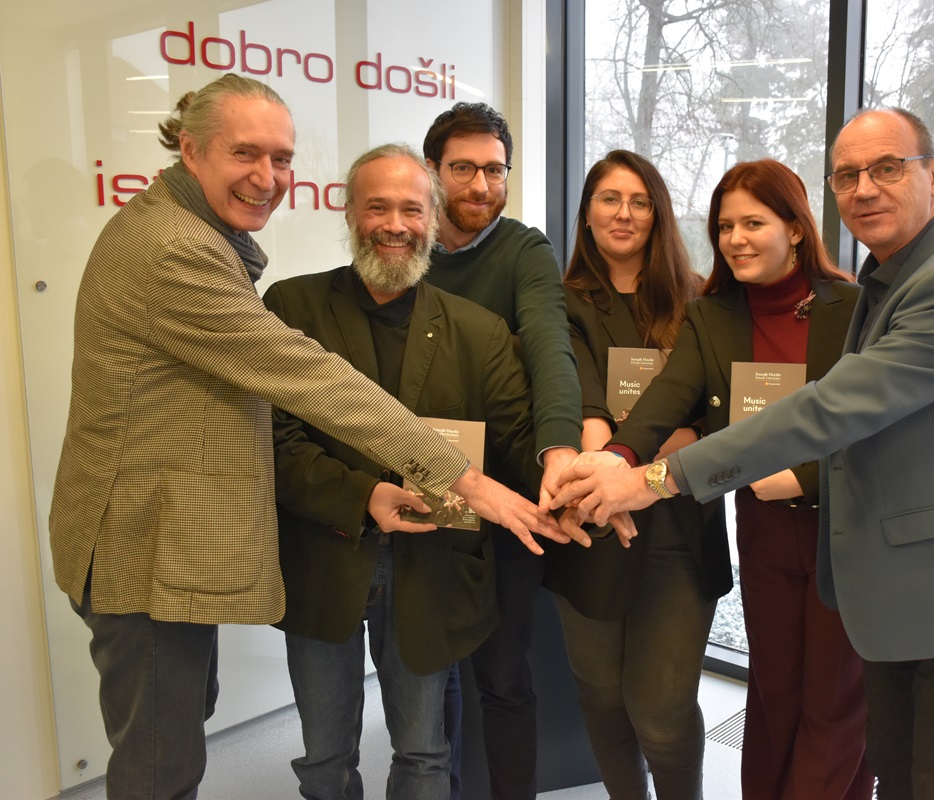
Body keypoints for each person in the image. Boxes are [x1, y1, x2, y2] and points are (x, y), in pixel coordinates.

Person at [48, 75, 566, 800]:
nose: (266, 178)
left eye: (282, 158)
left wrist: (565, 459)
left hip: (184, 550)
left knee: (180, 738)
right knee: (163, 763)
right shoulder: (179, 250)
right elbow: (311, 384)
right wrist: (461, 479)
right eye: (245, 154)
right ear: (190, 150)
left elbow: (527, 390)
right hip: (147, 550)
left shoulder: (196, 233)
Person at [552, 108, 934, 800]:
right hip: (883, 574)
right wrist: (618, 453)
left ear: (932, 175)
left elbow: (828, 412)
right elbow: (673, 395)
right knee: (888, 770)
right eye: (846, 175)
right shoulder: (885, 281)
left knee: (931, 777)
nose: (864, 189)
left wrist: (655, 480)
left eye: (885, 169)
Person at [265, 143, 545, 800]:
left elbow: (517, 440)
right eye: (377, 207)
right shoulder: (291, 308)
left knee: (423, 751)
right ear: (349, 212)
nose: (395, 225)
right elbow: (271, 440)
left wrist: (589, 462)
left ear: (434, 216)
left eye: (411, 209)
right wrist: (362, 495)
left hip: (434, 568)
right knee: (324, 760)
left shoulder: (475, 331)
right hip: (323, 559)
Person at [543, 150, 733, 800]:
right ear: (586, 213)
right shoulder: (558, 303)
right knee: (599, 694)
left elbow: (715, 417)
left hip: (678, 527)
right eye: (608, 198)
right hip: (589, 523)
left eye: (639, 200)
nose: (623, 213)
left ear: (657, 214)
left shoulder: (698, 302)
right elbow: (579, 401)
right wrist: (608, 480)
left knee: (661, 707)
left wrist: (630, 467)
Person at [422, 102, 583, 800]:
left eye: (494, 170)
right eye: (463, 168)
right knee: (427, 677)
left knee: (505, 673)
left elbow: (549, 346)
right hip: (425, 486)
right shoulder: (402, 245)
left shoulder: (523, 249)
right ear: (433, 171)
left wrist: (557, 451)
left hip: (509, 492)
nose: (481, 186)